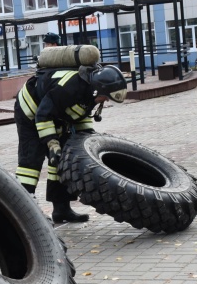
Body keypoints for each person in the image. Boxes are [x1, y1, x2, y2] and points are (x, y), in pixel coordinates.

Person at [15, 62, 127, 223]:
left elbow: (80, 117)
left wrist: (88, 141)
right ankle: (24, 214)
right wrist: (52, 143)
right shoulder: (69, 88)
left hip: (54, 115)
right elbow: (43, 115)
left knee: (61, 159)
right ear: (99, 89)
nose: (106, 101)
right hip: (31, 113)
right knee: (30, 162)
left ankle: (61, 210)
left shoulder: (90, 91)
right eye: (106, 97)